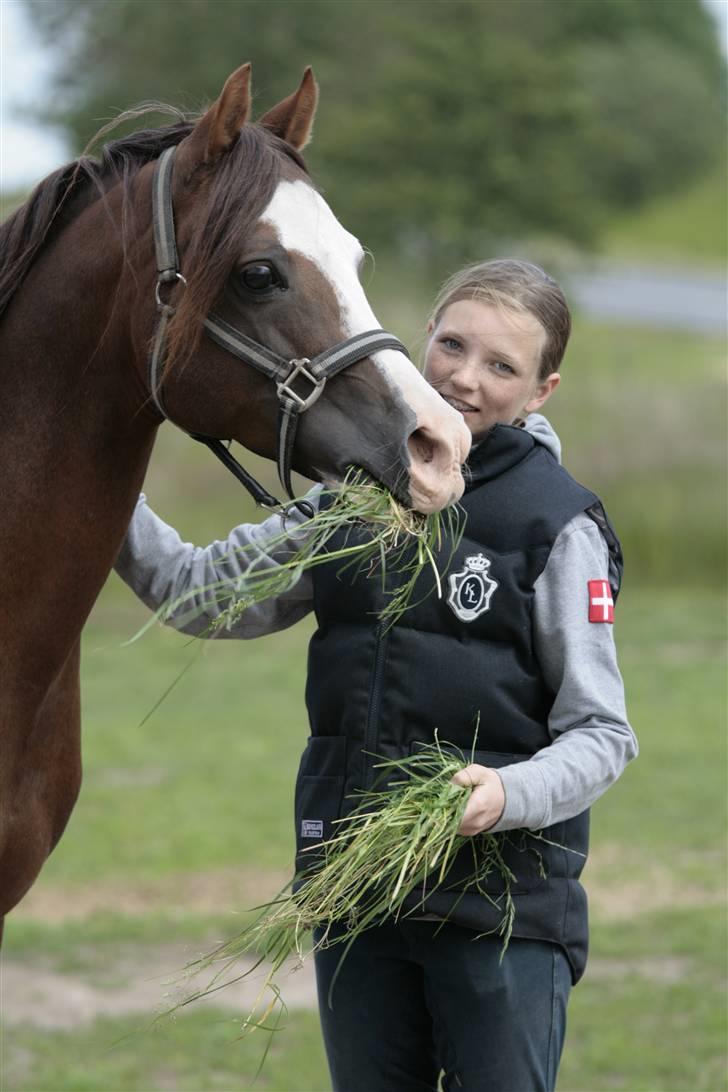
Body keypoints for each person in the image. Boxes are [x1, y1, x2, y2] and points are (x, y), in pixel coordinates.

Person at [115, 259, 637, 1092]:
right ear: (419, 340)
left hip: (502, 912)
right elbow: (198, 592)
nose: (465, 378)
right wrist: (93, 476)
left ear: (543, 390)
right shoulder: (350, 494)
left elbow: (604, 736)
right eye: (451, 345)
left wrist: (506, 797)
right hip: (354, 890)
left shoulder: (558, 525)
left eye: (502, 365)